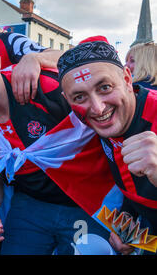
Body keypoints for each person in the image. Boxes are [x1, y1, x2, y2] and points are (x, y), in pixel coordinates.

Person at [0, 33, 110, 255]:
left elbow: (94, 67)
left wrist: (37, 58)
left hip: (90, 202)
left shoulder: (46, 87)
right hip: (31, 203)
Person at [58, 38, 157, 255]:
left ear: (127, 78)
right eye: (80, 96)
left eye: (105, 87)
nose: (97, 107)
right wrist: (126, 224)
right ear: (67, 99)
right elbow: (132, 189)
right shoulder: (99, 123)